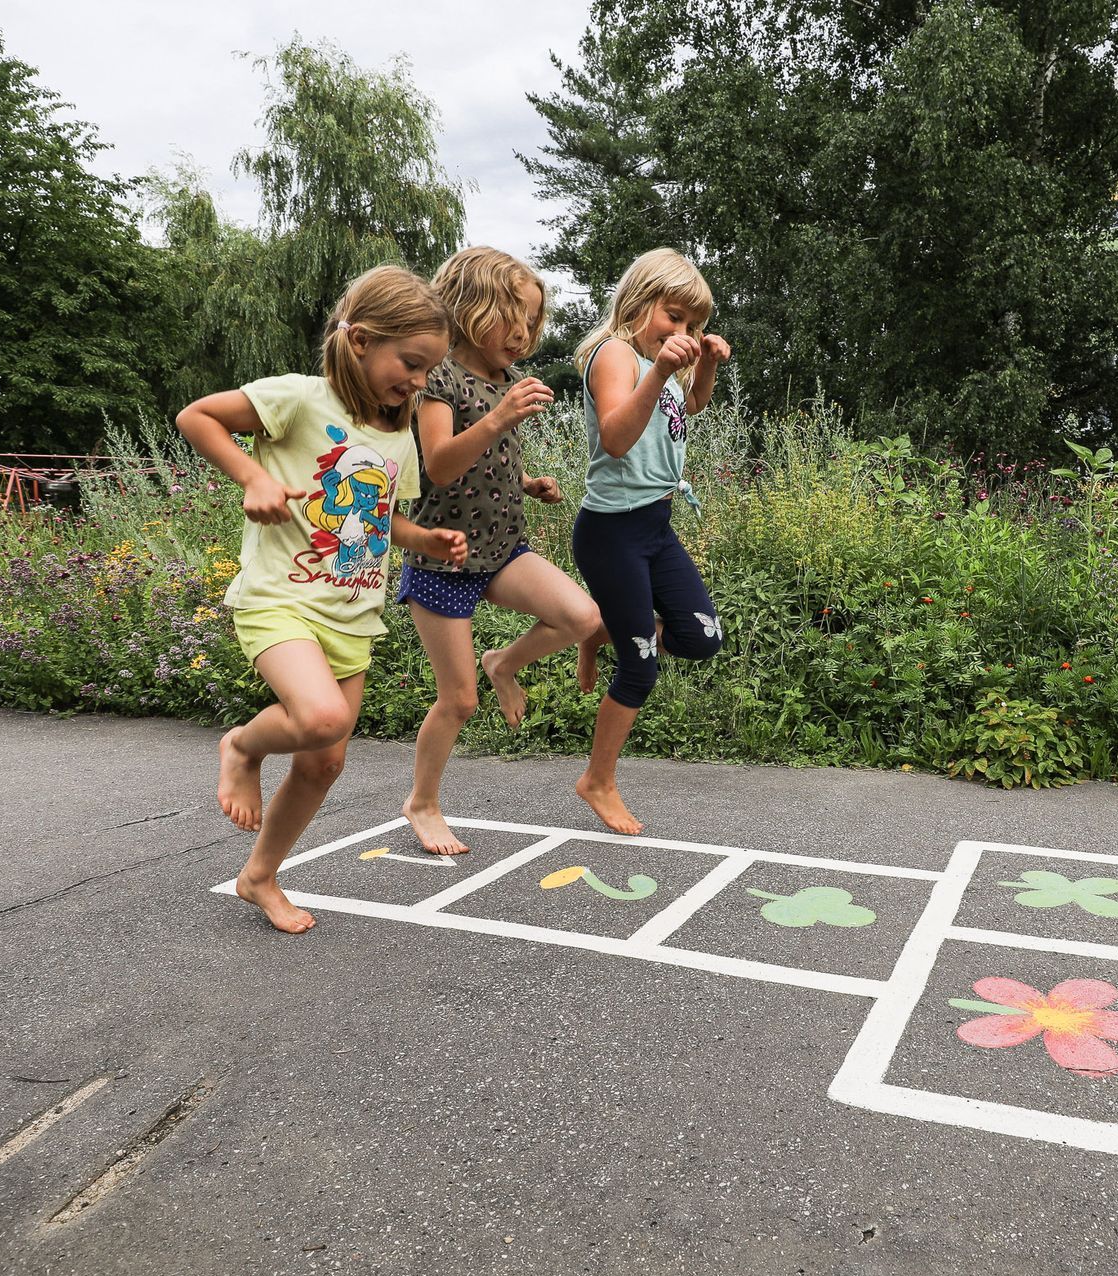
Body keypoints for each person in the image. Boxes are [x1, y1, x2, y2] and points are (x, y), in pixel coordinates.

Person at [177, 265, 467, 933]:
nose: (419, 382)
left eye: (429, 373)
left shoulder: (399, 434)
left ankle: (260, 875)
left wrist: (424, 539)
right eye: (412, 363)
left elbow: (379, 515)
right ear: (361, 340)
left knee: (325, 758)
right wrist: (252, 475)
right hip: (281, 599)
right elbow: (197, 418)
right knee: (321, 718)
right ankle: (244, 748)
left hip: (351, 614)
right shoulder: (300, 399)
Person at [398, 247, 602, 855]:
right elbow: (439, 465)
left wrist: (525, 482)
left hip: (503, 545)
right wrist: (500, 417)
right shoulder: (438, 379)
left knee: (582, 617)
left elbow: (486, 465)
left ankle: (504, 662)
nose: (523, 332)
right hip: (444, 556)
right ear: (468, 307)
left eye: (533, 320)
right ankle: (423, 802)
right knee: (457, 700)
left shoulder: (507, 382)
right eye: (511, 314)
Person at [570, 248, 731, 834]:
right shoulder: (614, 354)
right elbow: (615, 438)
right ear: (639, 303)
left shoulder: (655, 369)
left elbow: (689, 407)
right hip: (611, 532)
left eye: (694, 325)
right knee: (640, 668)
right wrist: (661, 368)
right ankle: (598, 781)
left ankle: (601, 629)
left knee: (701, 636)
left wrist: (704, 366)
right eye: (673, 316)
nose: (683, 331)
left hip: (655, 527)